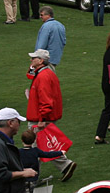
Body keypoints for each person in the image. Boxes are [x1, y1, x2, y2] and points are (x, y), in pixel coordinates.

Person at [25, 49, 76, 181]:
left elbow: (46, 100)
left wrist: (42, 119)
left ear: (41, 61)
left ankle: (33, 178)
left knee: (34, 148)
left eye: (34, 58)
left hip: (40, 118)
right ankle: (65, 165)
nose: (31, 60)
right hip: (42, 116)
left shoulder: (43, 76)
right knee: (44, 145)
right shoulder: (45, 74)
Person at [18, 128, 62, 193]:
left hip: (22, 178)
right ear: (34, 140)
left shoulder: (18, 152)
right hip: (34, 178)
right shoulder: (35, 151)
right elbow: (48, 154)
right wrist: (60, 152)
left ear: (22, 140)